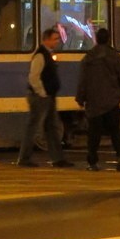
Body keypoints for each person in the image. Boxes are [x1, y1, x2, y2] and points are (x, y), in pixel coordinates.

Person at [17, 27, 73, 168]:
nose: (57, 41)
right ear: (46, 40)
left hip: (47, 96)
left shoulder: (46, 54)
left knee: (51, 127)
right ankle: (24, 159)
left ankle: (58, 159)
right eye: (55, 39)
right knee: (35, 127)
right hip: (41, 97)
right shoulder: (41, 55)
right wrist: (42, 93)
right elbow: (33, 77)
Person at [75, 27, 120, 172]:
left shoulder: (89, 57)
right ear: (108, 39)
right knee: (115, 132)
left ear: (96, 39)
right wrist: (119, 94)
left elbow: (82, 80)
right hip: (112, 101)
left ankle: (92, 162)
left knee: (94, 134)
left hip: (94, 103)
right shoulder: (115, 56)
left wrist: (80, 98)